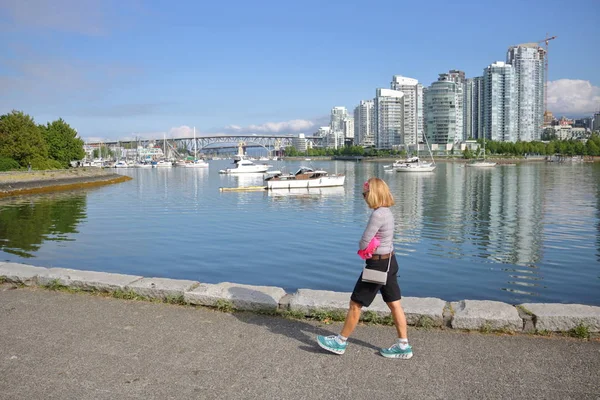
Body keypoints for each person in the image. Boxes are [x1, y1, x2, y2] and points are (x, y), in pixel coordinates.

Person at [316, 177, 412, 359]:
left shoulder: (377, 215)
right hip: (390, 261)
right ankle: (403, 345)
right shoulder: (387, 212)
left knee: (355, 304)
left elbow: (363, 243)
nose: (364, 197)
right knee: (394, 304)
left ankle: (340, 342)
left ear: (373, 194)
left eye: (365, 193)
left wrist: (364, 247)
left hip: (377, 265)